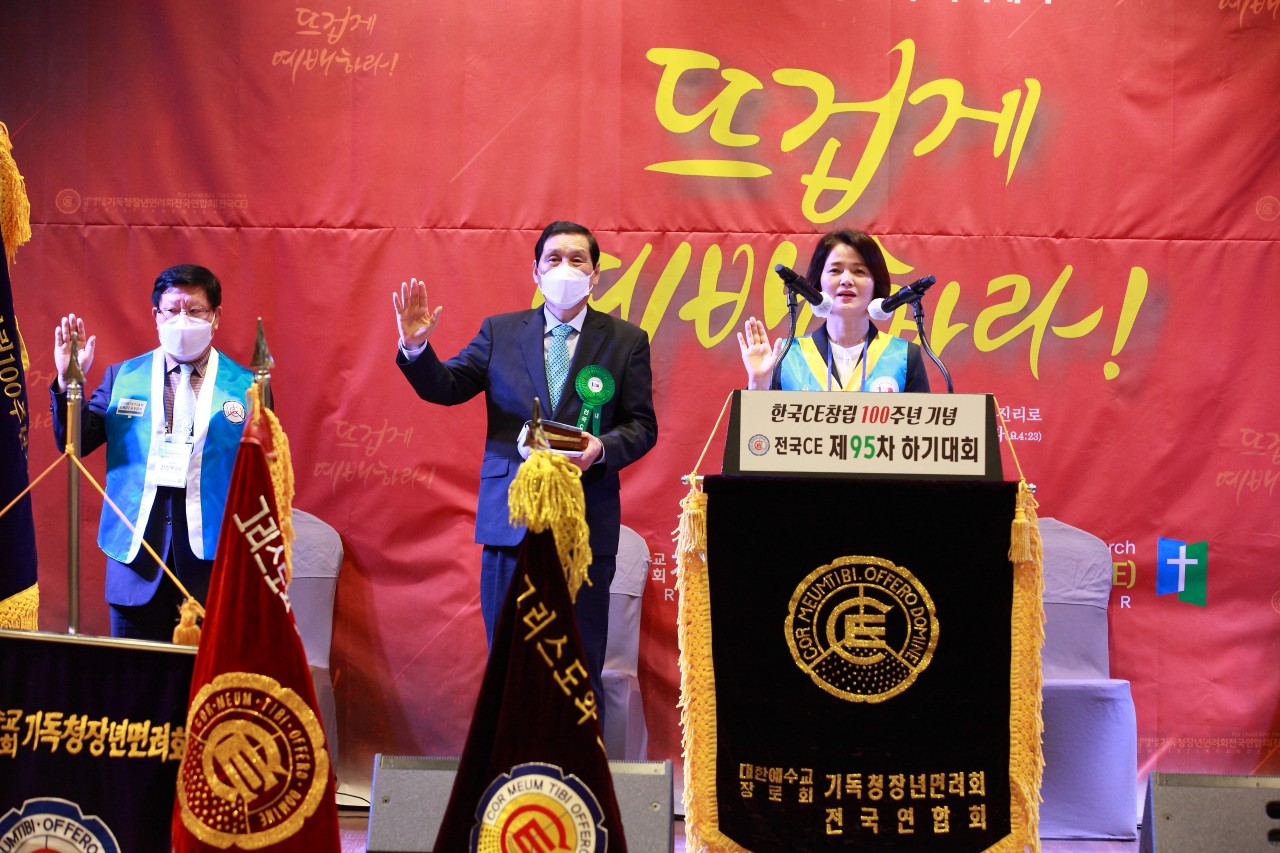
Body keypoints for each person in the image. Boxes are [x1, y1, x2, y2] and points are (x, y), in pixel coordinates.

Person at [393, 221, 658, 705]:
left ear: (595, 274)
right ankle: (506, 755)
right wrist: (416, 348)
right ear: (535, 272)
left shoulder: (626, 339)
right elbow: (447, 387)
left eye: (577, 259)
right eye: (553, 259)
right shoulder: (500, 331)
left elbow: (642, 426)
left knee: (579, 665)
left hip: (585, 524)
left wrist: (600, 448)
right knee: (509, 662)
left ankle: (581, 756)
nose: (565, 268)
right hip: (510, 520)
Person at [51, 264, 254, 640]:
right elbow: (75, 442)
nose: (182, 320)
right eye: (172, 310)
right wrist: (68, 383)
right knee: (133, 676)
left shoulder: (247, 386)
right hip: (135, 562)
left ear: (215, 316)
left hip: (212, 563)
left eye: (195, 310)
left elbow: (263, 475)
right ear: (156, 315)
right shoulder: (123, 377)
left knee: (203, 677)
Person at [738, 229, 930, 392]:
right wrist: (758, 383)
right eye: (835, 270)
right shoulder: (786, 357)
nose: (846, 280)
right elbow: (756, 426)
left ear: (876, 284)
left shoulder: (903, 356)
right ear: (818, 283)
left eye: (859, 271)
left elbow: (921, 425)